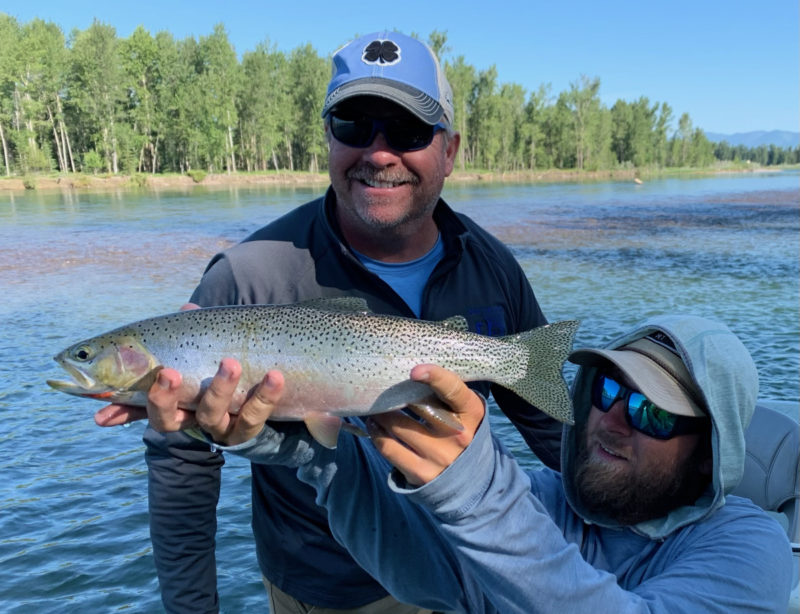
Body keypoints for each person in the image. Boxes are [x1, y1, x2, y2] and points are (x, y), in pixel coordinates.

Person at [95, 30, 564, 613]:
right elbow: (181, 465)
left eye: (410, 131)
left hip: (479, 573)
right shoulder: (246, 276)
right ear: (327, 139)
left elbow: (552, 430)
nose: (379, 151)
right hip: (328, 594)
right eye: (353, 125)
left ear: (450, 150)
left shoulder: (492, 266)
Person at [201, 314, 794, 614]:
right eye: (607, 391)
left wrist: (476, 495)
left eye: (652, 413)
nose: (611, 419)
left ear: (709, 453)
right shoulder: (539, 500)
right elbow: (421, 568)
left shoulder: (751, 546)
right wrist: (297, 444)